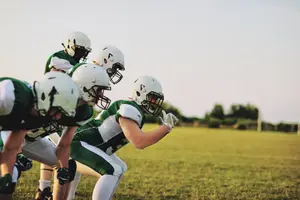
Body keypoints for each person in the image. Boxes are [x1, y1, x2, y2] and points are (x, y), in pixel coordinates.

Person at [36, 45, 126, 200]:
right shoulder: (84, 72)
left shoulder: (92, 74)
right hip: (58, 124)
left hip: (68, 126)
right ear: (106, 60)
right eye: (115, 66)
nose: (115, 72)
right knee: (70, 161)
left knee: (72, 165)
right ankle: (44, 190)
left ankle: (52, 192)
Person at [69, 76, 178, 200]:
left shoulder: (133, 109)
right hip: (78, 144)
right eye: (152, 98)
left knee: (120, 168)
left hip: (88, 145)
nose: (154, 102)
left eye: (156, 99)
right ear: (139, 93)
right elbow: (139, 142)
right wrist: (166, 128)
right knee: (112, 170)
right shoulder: (129, 109)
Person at [0, 71, 81, 200]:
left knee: (8, 180)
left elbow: (11, 148)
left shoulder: (36, 115)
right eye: (58, 110)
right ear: (46, 98)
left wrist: (7, 176)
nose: (59, 116)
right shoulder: (10, 94)